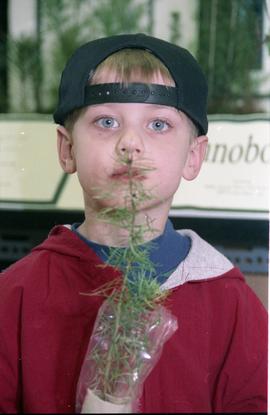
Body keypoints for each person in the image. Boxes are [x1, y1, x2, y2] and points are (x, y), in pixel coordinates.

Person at [0, 33, 267, 414]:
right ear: (66, 148)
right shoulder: (13, 297)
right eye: (106, 121)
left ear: (193, 156)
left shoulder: (233, 305)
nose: (130, 143)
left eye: (158, 125)